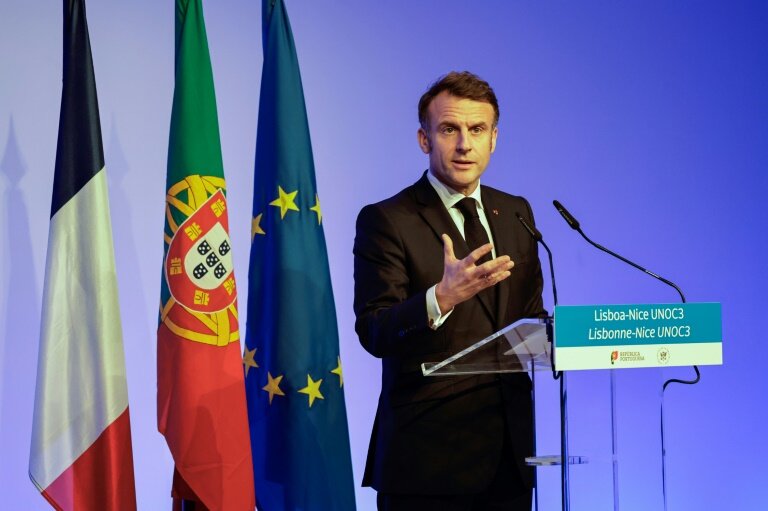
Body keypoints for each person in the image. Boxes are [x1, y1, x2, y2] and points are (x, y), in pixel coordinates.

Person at [353, 71, 545, 510]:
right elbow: (375, 330)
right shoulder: (388, 220)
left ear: (494, 138)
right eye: (449, 129)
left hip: (509, 463)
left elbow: (531, 318)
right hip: (426, 465)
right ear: (424, 139)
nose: (464, 145)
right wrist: (441, 299)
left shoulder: (516, 213)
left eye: (477, 130)